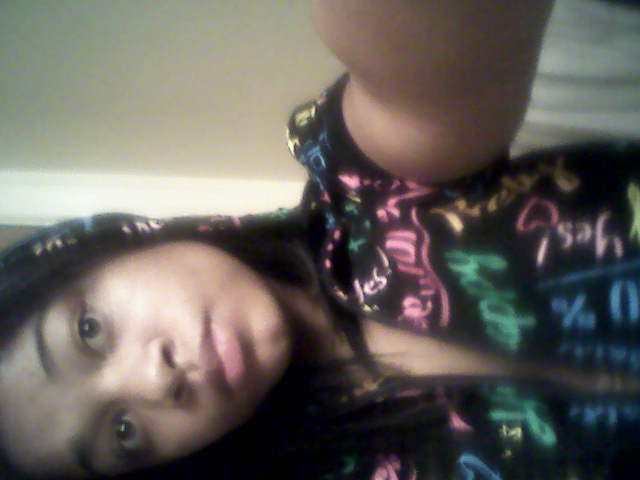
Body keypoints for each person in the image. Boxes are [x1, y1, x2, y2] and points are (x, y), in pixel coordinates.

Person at [1, 1, 640, 478]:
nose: (154, 383)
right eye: (122, 433)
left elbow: (419, 97)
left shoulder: (364, 193)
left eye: (88, 331)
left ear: (116, 243)